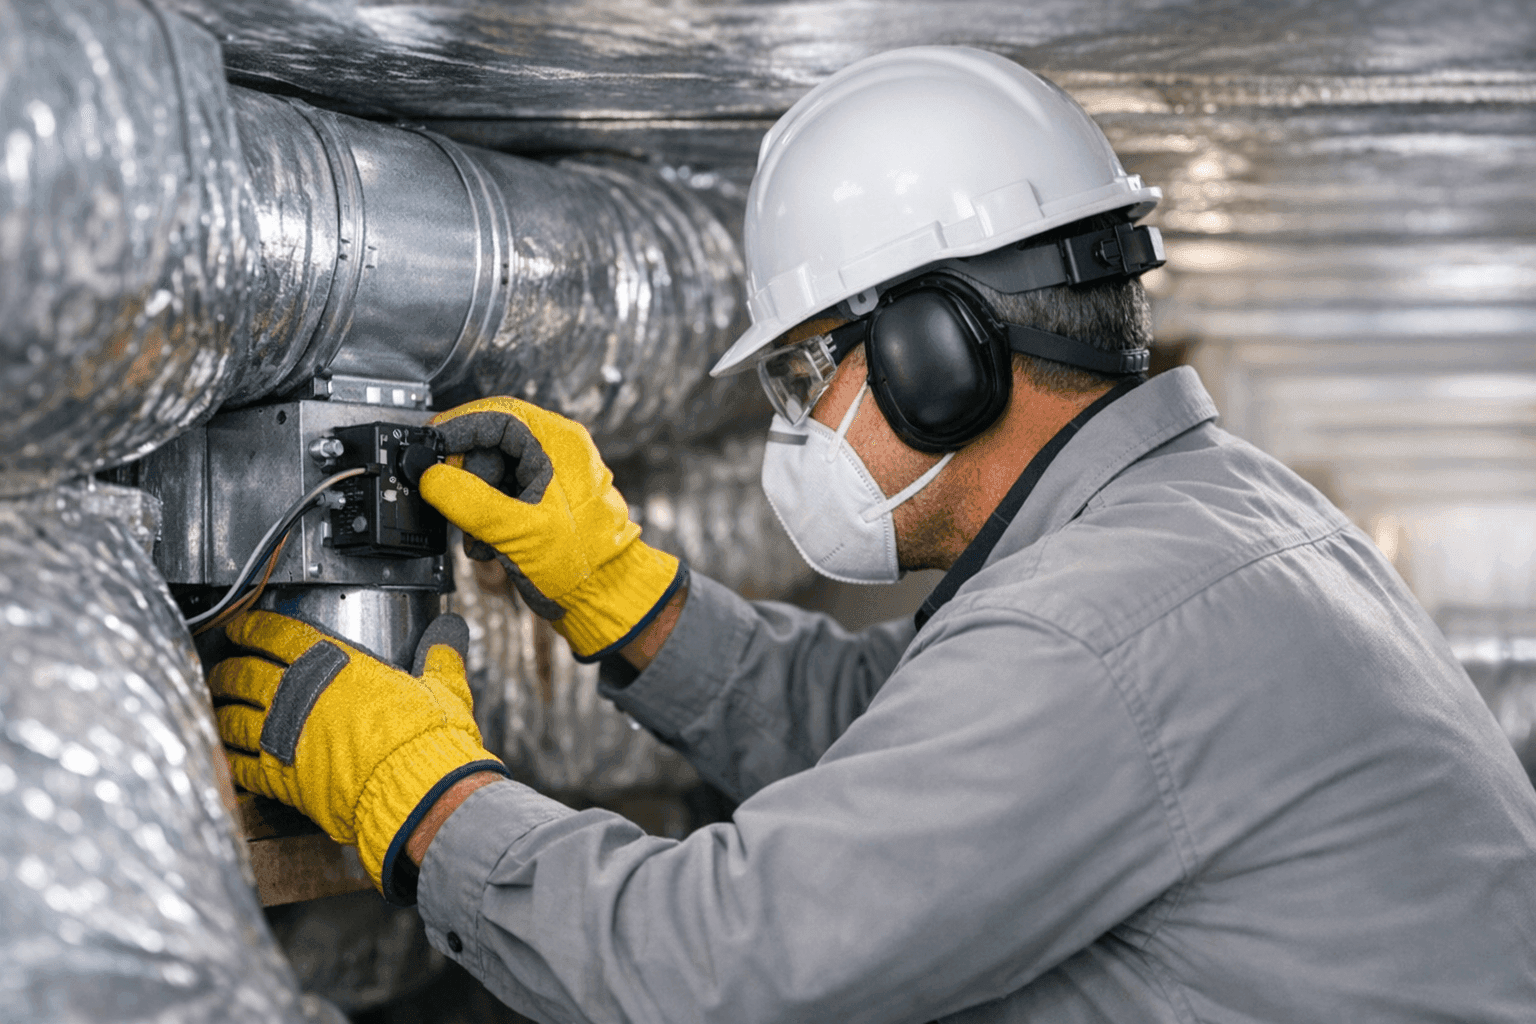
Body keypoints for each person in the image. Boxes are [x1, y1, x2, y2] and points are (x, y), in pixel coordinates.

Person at [210, 47, 1536, 1023]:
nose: (801, 423)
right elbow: (906, 732)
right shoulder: (1209, 521)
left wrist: (423, 802)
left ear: (934, 357)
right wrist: (623, 596)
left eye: (808, 375)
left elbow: (706, 971)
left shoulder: (1101, 631)